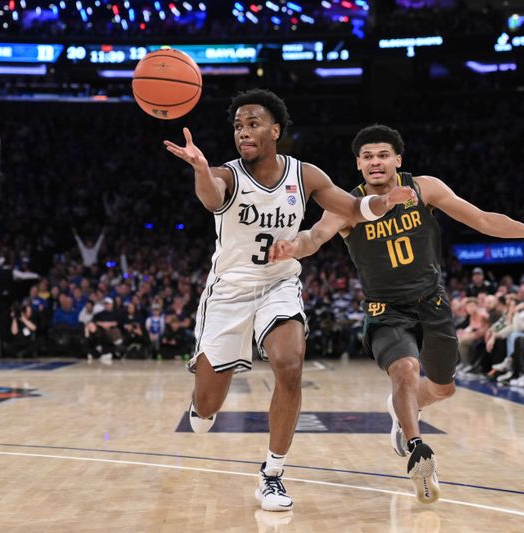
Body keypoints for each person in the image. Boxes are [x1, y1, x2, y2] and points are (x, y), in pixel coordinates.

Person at [269, 124, 524, 504]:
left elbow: (480, 218)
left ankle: (403, 410)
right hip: (385, 310)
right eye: (367, 157)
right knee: (405, 369)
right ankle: (417, 449)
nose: (375, 162)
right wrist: (292, 246)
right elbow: (315, 236)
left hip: (433, 304)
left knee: (444, 387)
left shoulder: (424, 188)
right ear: (358, 164)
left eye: (382, 155)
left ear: (398, 160)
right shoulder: (347, 206)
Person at [164, 90, 414, 512]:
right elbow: (210, 197)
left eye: (253, 123)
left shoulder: (305, 175)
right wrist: (201, 169)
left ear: (275, 130)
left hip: (279, 283)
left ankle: (273, 474)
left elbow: (351, 206)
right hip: (229, 292)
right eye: (239, 126)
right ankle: (200, 403)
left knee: (289, 363)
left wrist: (382, 202)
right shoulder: (227, 174)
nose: (244, 132)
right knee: (207, 410)